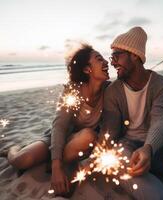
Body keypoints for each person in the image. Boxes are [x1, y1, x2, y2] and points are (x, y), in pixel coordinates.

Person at [100, 27, 163, 200]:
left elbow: (161, 121)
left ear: (135, 55)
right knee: (123, 165)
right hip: (127, 147)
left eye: (117, 55)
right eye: (112, 57)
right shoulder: (113, 91)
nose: (113, 62)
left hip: (160, 146)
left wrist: (148, 148)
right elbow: (111, 130)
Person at [7, 44, 110, 197]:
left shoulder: (110, 91)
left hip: (79, 144)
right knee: (21, 160)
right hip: (57, 138)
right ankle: (12, 149)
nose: (106, 62)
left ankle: (51, 160)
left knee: (88, 136)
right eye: (99, 59)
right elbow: (59, 126)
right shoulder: (73, 91)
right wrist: (56, 168)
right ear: (87, 69)